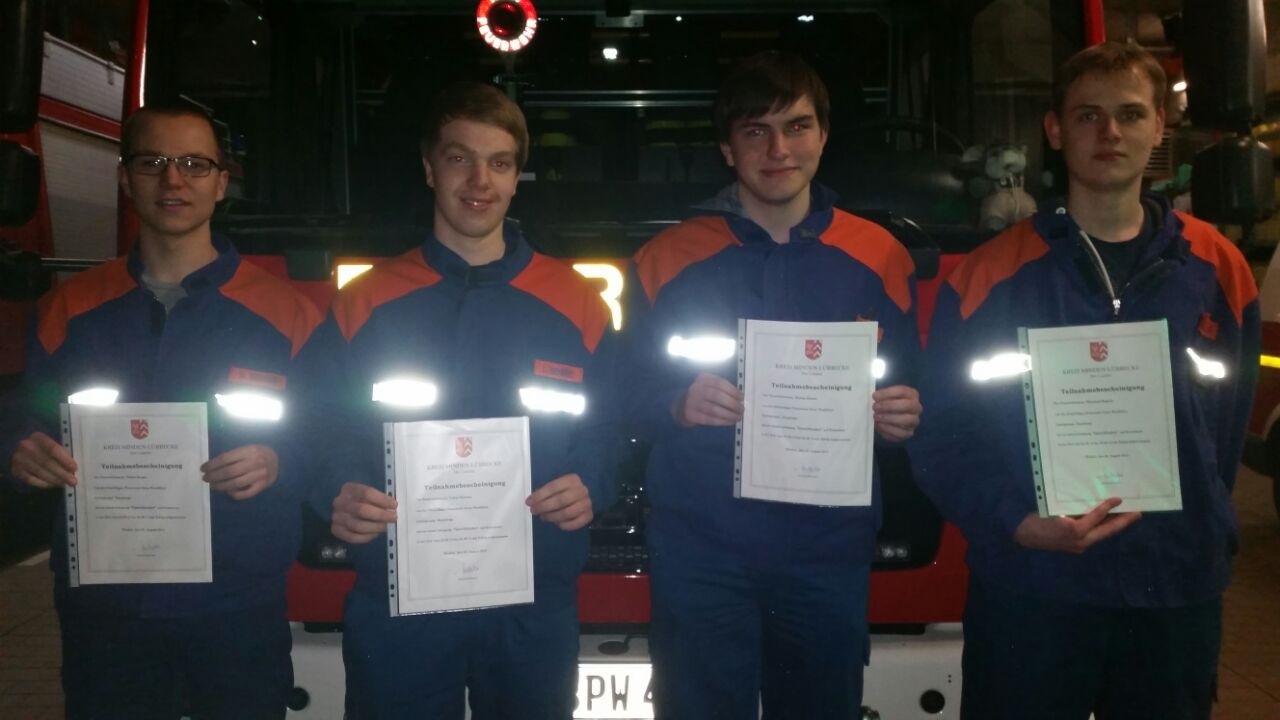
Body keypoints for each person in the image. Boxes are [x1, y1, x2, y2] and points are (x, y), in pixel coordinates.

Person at [910, 41, 1260, 720]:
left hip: (1173, 592)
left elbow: (1226, 430)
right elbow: (942, 437)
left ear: (1159, 127)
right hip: (1034, 589)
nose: (1110, 133)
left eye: (1130, 114)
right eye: (1087, 116)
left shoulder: (1218, 268)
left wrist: (1200, 525)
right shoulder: (987, 277)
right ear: (1054, 130)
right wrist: (1015, 523)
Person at [298, 81, 618, 719]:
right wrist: (338, 488)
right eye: (458, 158)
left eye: (499, 163)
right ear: (429, 169)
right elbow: (315, 425)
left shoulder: (578, 302)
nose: (479, 180)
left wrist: (593, 482)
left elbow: (615, 426)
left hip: (533, 601)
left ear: (517, 176)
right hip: (401, 603)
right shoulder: (365, 301)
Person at [622, 51, 923, 719]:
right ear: (728, 149)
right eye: (756, 131)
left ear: (823, 135)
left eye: (797, 126)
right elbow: (620, 394)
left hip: (827, 554)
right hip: (702, 555)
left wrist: (903, 417)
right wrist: (675, 404)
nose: (779, 149)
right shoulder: (663, 259)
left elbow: (911, 388)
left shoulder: (881, 257)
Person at [0, 105, 322, 719]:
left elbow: (326, 434)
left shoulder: (288, 314)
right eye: (153, 162)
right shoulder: (70, 308)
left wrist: (280, 461)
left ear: (222, 183)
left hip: (235, 607)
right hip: (107, 613)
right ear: (126, 178)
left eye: (194, 164)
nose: (173, 180)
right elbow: (26, 411)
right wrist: (17, 445)